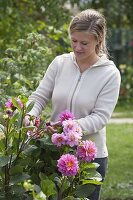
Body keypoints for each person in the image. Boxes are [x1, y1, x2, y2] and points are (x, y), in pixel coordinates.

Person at [24, 9, 121, 200]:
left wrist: (68, 129)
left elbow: (100, 117)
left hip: (89, 158)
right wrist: (29, 114)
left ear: (98, 41)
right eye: (74, 40)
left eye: (84, 43)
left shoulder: (110, 74)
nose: (77, 47)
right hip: (52, 151)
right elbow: (40, 96)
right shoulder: (60, 63)